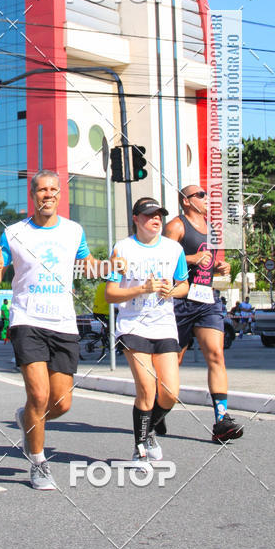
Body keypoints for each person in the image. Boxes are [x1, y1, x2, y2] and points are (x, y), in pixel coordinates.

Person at [0, 170, 125, 490]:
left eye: (53, 189)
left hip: (63, 322)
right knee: (39, 395)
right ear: (32, 195)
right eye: (41, 190)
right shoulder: (14, 233)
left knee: (61, 403)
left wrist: (108, 266)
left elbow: (87, 265)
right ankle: (38, 462)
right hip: (27, 320)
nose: (47, 194)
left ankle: (27, 418)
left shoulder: (74, 231)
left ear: (60, 194)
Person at [106, 197, 189, 466]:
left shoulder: (173, 249)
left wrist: (171, 290)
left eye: (158, 215)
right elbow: (110, 293)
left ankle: (149, 428)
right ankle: (140, 448)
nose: (155, 219)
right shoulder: (122, 248)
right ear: (136, 219)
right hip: (132, 325)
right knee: (146, 387)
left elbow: (184, 285)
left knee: (170, 393)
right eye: (149, 215)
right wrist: (142, 288)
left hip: (164, 326)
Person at [164, 184, 243, 443]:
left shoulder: (212, 229)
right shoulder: (177, 226)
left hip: (207, 299)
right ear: (186, 201)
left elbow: (208, 263)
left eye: (206, 194)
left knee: (216, 354)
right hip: (180, 300)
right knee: (173, 362)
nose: (206, 197)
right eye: (200, 195)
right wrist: (190, 259)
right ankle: (158, 410)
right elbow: (161, 259)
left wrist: (219, 267)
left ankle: (222, 421)